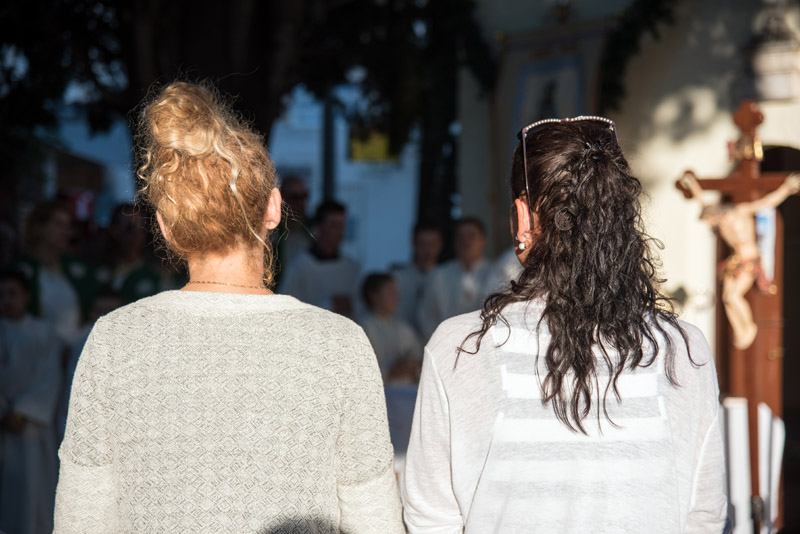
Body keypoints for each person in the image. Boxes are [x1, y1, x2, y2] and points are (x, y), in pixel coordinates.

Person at [53, 81, 404, 533]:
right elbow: (374, 521)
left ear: (166, 228)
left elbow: (80, 522)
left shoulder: (114, 341)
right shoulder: (341, 345)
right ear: (274, 208)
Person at [403, 117, 727, 533]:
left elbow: (431, 519)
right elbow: (705, 517)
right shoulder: (685, 349)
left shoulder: (462, 347)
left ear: (523, 218)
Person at [679, 171, 800, 349]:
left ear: (716, 215)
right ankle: (739, 330)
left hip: (749, 260)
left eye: (710, 221)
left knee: (735, 295)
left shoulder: (740, 212)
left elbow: (765, 203)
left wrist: (786, 189)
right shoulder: (721, 222)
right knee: (727, 297)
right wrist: (691, 183)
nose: (711, 225)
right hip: (735, 260)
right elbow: (702, 200)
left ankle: (749, 327)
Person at [0, 269, 61, 534]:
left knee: (31, 497)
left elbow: (50, 376)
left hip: (31, 429)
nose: (6, 300)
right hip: (3, 423)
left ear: (26, 295)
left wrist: (23, 412)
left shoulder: (44, 332)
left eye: (12, 293)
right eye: (1, 295)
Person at [10, 201, 96, 345]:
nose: (67, 232)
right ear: (38, 228)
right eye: (58, 224)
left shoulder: (78, 268)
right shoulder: (19, 269)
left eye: (68, 226)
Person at [279, 200, 361, 317]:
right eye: (333, 225)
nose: (339, 231)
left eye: (342, 225)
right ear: (318, 227)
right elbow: (286, 308)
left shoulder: (352, 267)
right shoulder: (300, 267)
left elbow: (362, 307)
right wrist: (328, 305)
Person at [416, 217, 491, 341]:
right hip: (444, 348)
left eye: (471, 236)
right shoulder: (438, 275)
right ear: (454, 242)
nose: (466, 242)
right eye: (461, 237)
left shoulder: (495, 273)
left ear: (483, 240)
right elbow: (426, 317)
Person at [358, 273, 422, 383]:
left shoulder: (405, 329)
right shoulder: (363, 329)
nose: (396, 297)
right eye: (390, 293)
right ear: (373, 295)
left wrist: (413, 366)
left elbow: (418, 360)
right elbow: (360, 369)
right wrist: (391, 371)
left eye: (396, 293)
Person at [392, 222, 443, 338]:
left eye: (432, 245)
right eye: (423, 245)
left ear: (440, 245)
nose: (428, 250)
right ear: (413, 244)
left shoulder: (445, 278)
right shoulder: (397, 278)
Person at [273, 175, 314, 284]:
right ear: (282, 199)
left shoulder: (313, 229)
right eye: (295, 197)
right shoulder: (271, 231)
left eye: (304, 196)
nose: (301, 203)